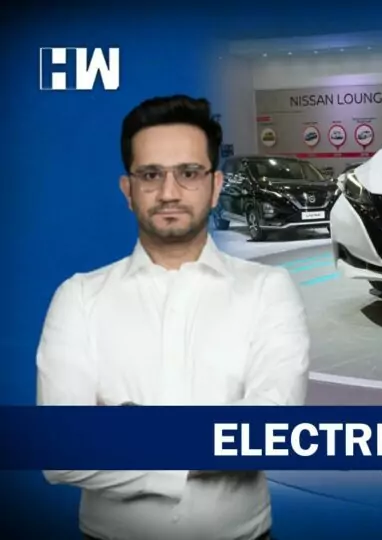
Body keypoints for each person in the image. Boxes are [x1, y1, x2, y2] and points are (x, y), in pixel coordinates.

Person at [35, 95, 310, 540]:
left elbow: (270, 434)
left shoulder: (268, 289)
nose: (168, 192)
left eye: (188, 173)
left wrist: (128, 433)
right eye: (150, 174)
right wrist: (213, 439)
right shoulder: (79, 297)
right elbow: (61, 451)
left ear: (215, 186)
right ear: (128, 190)